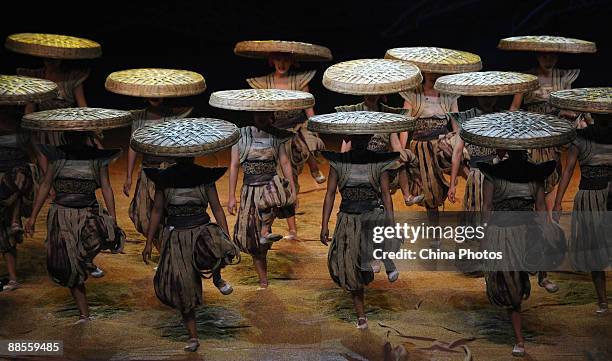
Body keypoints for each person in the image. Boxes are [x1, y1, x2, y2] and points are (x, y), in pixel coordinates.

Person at [135, 118, 240, 352]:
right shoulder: (165, 180)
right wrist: (149, 241)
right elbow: (157, 211)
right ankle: (193, 336)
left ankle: (217, 278)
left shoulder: (204, 178)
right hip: (177, 238)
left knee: (215, 249)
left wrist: (225, 236)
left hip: (201, 232)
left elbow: (217, 209)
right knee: (183, 290)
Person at [25, 119, 127, 324]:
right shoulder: (58, 157)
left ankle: (86, 261)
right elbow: (45, 186)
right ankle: (84, 315)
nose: (76, 139)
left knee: (96, 239)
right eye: (72, 135)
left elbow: (106, 187)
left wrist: (113, 220)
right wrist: (33, 217)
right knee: (68, 264)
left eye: (79, 135)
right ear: (66, 136)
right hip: (62, 215)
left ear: (86, 136)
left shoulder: (96, 159)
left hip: (88, 212)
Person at [210, 89, 310, 289]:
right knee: (254, 242)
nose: (262, 117)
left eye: (265, 114)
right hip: (250, 191)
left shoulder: (276, 137)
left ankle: (265, 230)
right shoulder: (241, 135)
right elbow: (235, 166)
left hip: (271, 187)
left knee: (271, 210)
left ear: (271, 115)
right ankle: (263, 279)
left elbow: (285, 164)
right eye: (258, 113)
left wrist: (293, 190)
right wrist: (231, 197)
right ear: (252, 114)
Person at [237, 41, 332, 241]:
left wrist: (315, 130)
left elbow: (309, 109)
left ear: (292, 62)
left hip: (297, 129)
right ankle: (285, 228)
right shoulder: (263, 83)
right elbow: (259, 110)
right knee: (283, 179)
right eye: (278, 59)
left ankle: (313, 167)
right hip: (275, 133)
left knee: (303, 144)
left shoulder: (299, 80)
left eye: (286, 60)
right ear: (271, 61)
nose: (282, 64)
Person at [105, 68, 205, 249]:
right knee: (142, 215)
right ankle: (160, 245)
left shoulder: (173, 115)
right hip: (147, 171)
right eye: (150, 92)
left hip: (168, 171)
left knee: (165, 212)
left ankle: (166, 250)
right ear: (144, 96)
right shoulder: (138, 117)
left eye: (159, 92)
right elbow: (133, 146)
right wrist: (128, 176)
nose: (155, 95)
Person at [552, 89, 612, 315]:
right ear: (593, 115)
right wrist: (558, 202)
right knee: (595, 249)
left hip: (608, 197)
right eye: (602, 115)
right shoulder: (581, 140)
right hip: (590, 197)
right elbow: (567, 171)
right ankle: (602, 300)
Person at [0, 74, 58, 291]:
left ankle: (16, 221)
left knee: (18, 177)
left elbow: (39, 152)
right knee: (1, 230)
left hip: (17, 173)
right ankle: (12, 277)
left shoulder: (22, 122)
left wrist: (48, 180)